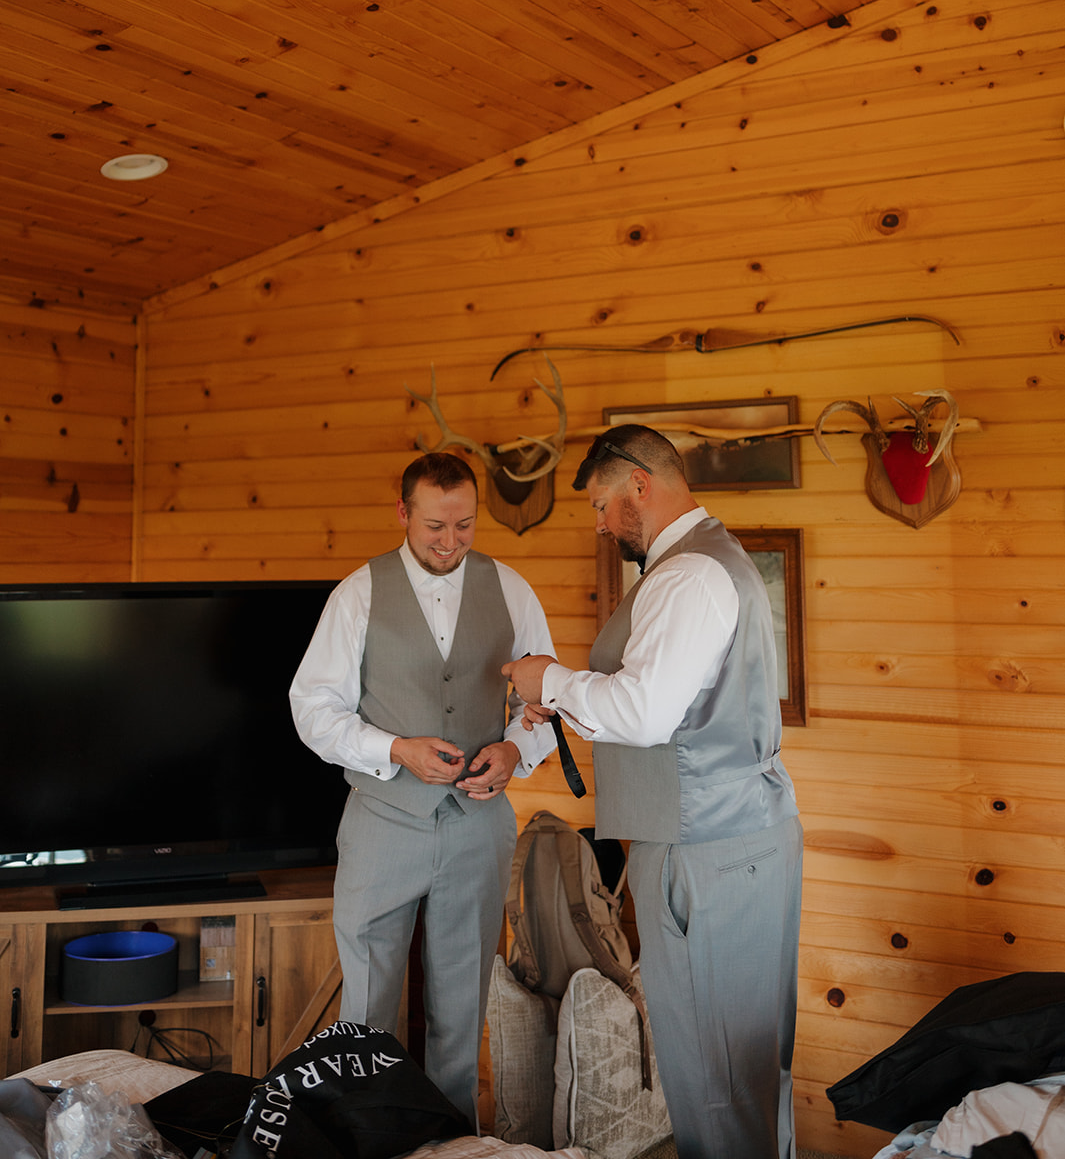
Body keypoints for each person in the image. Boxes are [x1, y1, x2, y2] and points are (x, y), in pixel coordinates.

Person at [503, 424, 803, 1159]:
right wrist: (564, 701)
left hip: (703, 848)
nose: (601, 525)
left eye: (602, 505)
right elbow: (669, 705)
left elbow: (643, 713)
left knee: (712, 1073)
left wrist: (549, 679)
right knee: (744, 1067)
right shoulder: (709, 562)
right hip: (733, 838)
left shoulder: (685, 575)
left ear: (639, 484)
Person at [291, 451, 556, 1128]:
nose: (449, 541)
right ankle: (363, 1136)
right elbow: (312, 709)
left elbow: (544, 705)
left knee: (462, 1006)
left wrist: (513, 750)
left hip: (478, 826)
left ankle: (450, 1139)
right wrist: (395, 749)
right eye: (435, 525)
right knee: (367, 1005)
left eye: (464, 526)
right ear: (403, 513)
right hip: (382, 820)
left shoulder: (512, 590)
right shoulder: (358, 593)